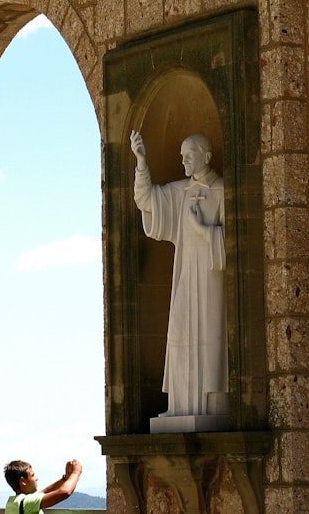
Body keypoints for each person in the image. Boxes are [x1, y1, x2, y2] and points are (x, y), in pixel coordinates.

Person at [130, 130, 228, 418]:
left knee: (210, 334)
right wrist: (141, 163)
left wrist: (202, 231)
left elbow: (234, 241)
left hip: (211, 277)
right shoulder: (180, 191)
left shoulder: (223, 192)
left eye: (189, 155)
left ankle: (212, 406)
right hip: (185, 274)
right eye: (181, 156)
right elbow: (146, 200)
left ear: (206, 156)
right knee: (181, 330)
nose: (183, 161)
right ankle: (181, 406)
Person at [3, 459, 83, 514]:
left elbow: (46, 491)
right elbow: (64, 492)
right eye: (33, 475)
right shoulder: (26, 503)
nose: (36, 478)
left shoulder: (14, 502)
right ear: (23, 481)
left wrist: (66, 478)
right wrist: (76, 473)